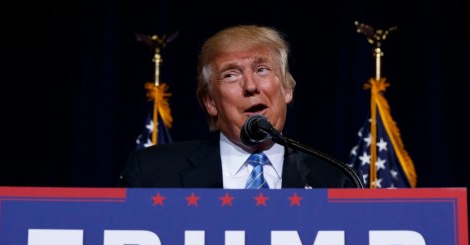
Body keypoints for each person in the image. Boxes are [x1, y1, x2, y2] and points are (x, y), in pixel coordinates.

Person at [120, 24, 357, 189]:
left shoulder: (334, 180)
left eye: (262, 69)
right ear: (210, 102)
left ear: (287, 89)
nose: (251, 86)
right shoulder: (154, 174)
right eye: (231, 75)